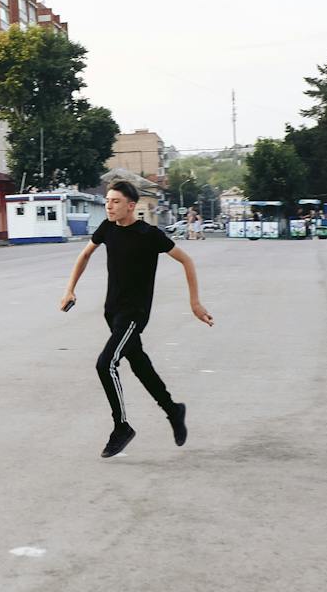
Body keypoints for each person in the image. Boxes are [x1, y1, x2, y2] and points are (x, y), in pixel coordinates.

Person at [60, 179, 214, 458]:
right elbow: (84, 255)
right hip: (113, 312)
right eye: (107, 200)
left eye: (115, 201)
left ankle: (121, 427)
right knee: (140, 365)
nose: (109, 205)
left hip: (134, 315)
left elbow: (186, 260)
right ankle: (173, 410)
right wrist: (70, 289)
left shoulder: (149, 234)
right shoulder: (107, 229)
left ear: (131, 206)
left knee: (105, 364)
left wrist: (195, 303)